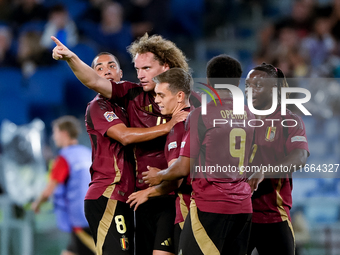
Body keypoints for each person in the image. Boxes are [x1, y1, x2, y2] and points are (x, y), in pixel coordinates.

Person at [51, 33, 196, 255]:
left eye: (146, 68)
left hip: (171, 197)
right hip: (137, 198)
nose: (141, 75)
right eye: (137, 69)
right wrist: (71, 57)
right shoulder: (129, 95)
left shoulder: (184, 103)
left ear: (165, 67)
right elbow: (94, 82)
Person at [143, 55, 257, 255]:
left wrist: (159, 175)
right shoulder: (250, 114)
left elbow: (184, 166)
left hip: (211, 206)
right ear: (238, 82)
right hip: (243, 207)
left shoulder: (201, 114)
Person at [81, 51, 187, 255]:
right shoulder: (98, 106)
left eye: (111, 66)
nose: (106, 71)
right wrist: (168, 126)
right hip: (108, 192)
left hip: (128, 197)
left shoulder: (127, 106)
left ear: (121, 74)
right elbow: (125, 136)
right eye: (99, 68)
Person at [244, 63, 309, 255]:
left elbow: (300, 156)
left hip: (273, 217)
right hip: (238, 214)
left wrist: (265, 171)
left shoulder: (289, 121)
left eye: (257, 85)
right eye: (248, 85)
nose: (250, 90)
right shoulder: (235, 120)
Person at [127, 67, 193, 253]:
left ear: (179, 96)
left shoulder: (178, 127)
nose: (156, 101)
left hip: (188, 208)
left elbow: (177, 177)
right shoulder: (199, 116)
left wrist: (148, 191)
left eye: (161, 95)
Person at [31, 115, 95, 255]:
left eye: (55, 133)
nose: (54, 138)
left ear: (63, 133)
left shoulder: (64, 158)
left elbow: (49, 190)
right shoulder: (88, 153)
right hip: (95, 211)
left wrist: (37, 204)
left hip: (79, 217)